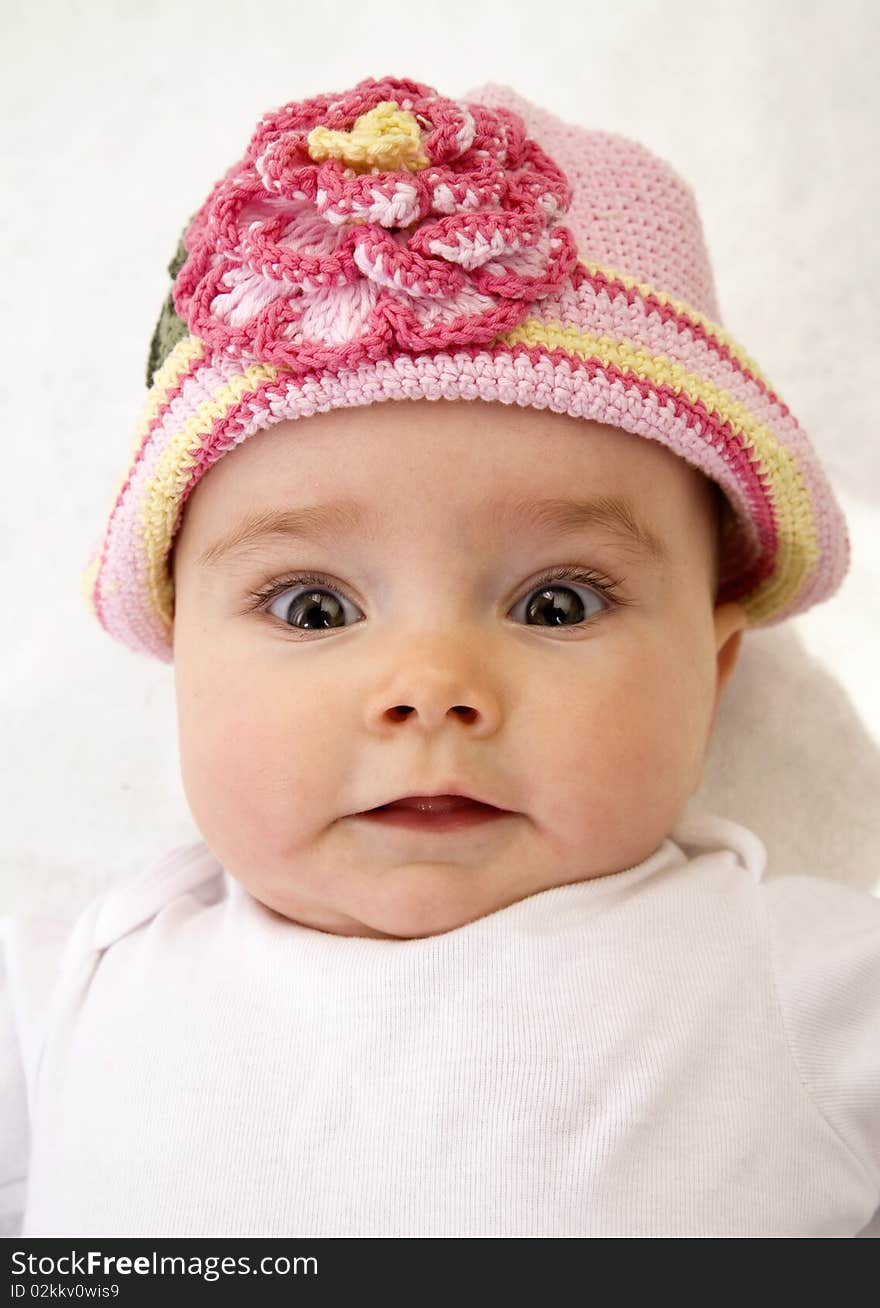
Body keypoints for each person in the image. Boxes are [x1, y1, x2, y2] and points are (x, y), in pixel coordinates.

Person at [2, 74, 877, 1238]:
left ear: (711, 674)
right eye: (312, 609)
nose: (430, 690)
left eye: (558, 602)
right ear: (179, 659)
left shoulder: (805, 982)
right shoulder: (68, 993)